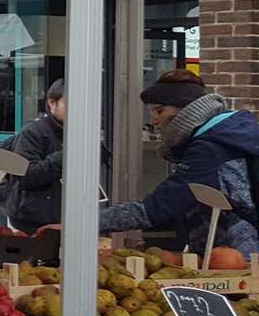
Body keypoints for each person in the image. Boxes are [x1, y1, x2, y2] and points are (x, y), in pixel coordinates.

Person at [101, 70, 259, 254]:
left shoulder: (211, 146)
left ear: (186, 108)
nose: (154, 121)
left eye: (159, 111)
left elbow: (165, 203)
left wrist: (91, 223)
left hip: (237, 257)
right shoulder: (226, 134)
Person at [3, 79, 67, 231]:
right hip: (31, 222)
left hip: (65, 217)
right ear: (52, 103)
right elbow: (27, 175)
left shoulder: (78, 132)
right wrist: (65, 157)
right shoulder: (33, 132)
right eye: (69, 104)